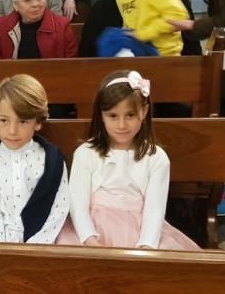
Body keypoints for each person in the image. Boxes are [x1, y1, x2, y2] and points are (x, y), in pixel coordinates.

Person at [56, 70, 199, 250]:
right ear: (101, 115)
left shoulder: (156, 158)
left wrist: (146, 246)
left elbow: (154, 210)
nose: (122, 125)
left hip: (140, 232)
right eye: (113, 116)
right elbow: (77, 206)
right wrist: (90, 240)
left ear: (144, 110)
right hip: (89, 232)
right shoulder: (85, 154)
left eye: (130, 115)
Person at [0, 75, 69, 243]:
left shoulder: (52, 161)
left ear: (38, 123)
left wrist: (35, 245)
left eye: (23, 121)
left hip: (41, 242)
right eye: (4, 120)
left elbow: (58, 207)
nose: (12, 131)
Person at [0, 0, 77, 59]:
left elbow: (70, 65)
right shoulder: (0, 27)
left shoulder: (62, 25)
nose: (35, 4)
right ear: (15, 5)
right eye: (28, 0)